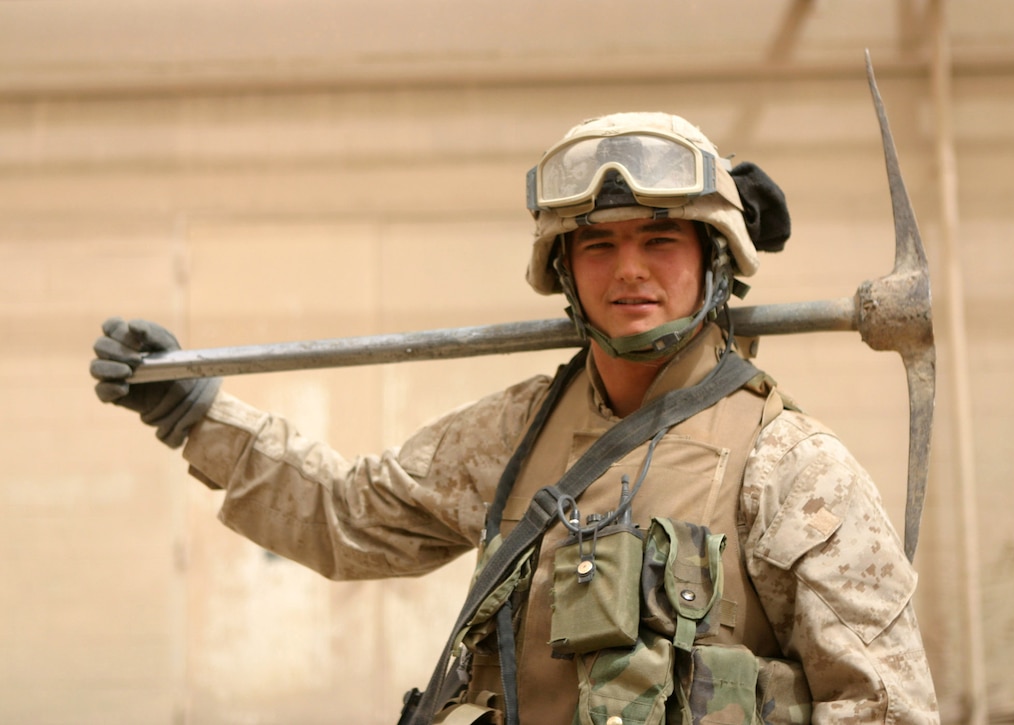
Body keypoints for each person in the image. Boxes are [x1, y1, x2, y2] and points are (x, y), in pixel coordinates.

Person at [91, 112, 939, 724]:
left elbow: (887, 707)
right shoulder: (520, 434)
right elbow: (349, 517)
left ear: (715, 258)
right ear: (564, 269)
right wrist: (193, 412)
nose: (628, 271)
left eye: (660, 240)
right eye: (598, 245)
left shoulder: (788, 465)